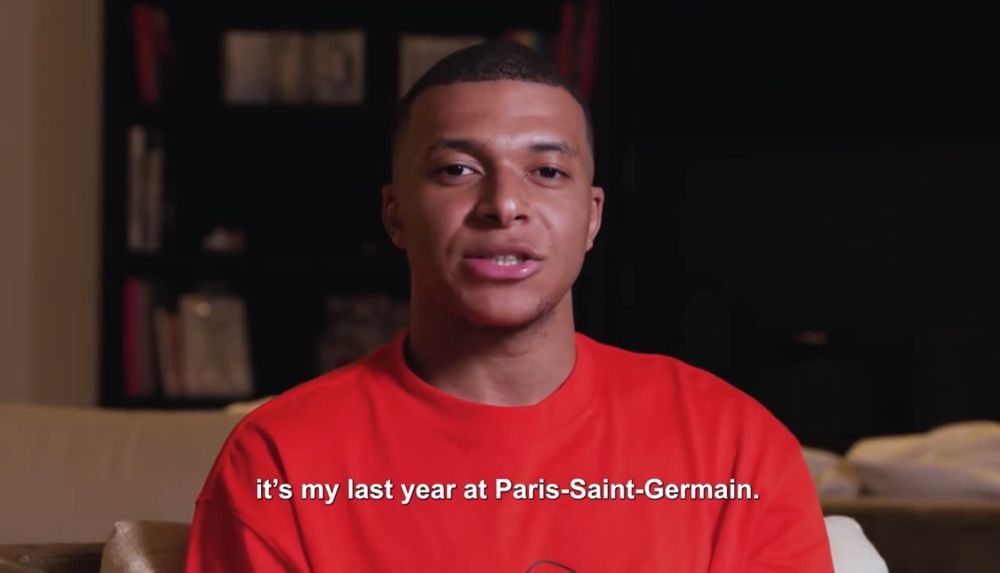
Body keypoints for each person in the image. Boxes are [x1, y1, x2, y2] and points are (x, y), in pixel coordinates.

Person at [185, 41, 834, 572]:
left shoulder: (735, 448)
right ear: (395, 214)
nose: (504, 204)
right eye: (457, 170)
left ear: (592, 217)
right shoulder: (280, 460)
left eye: (547, 172)